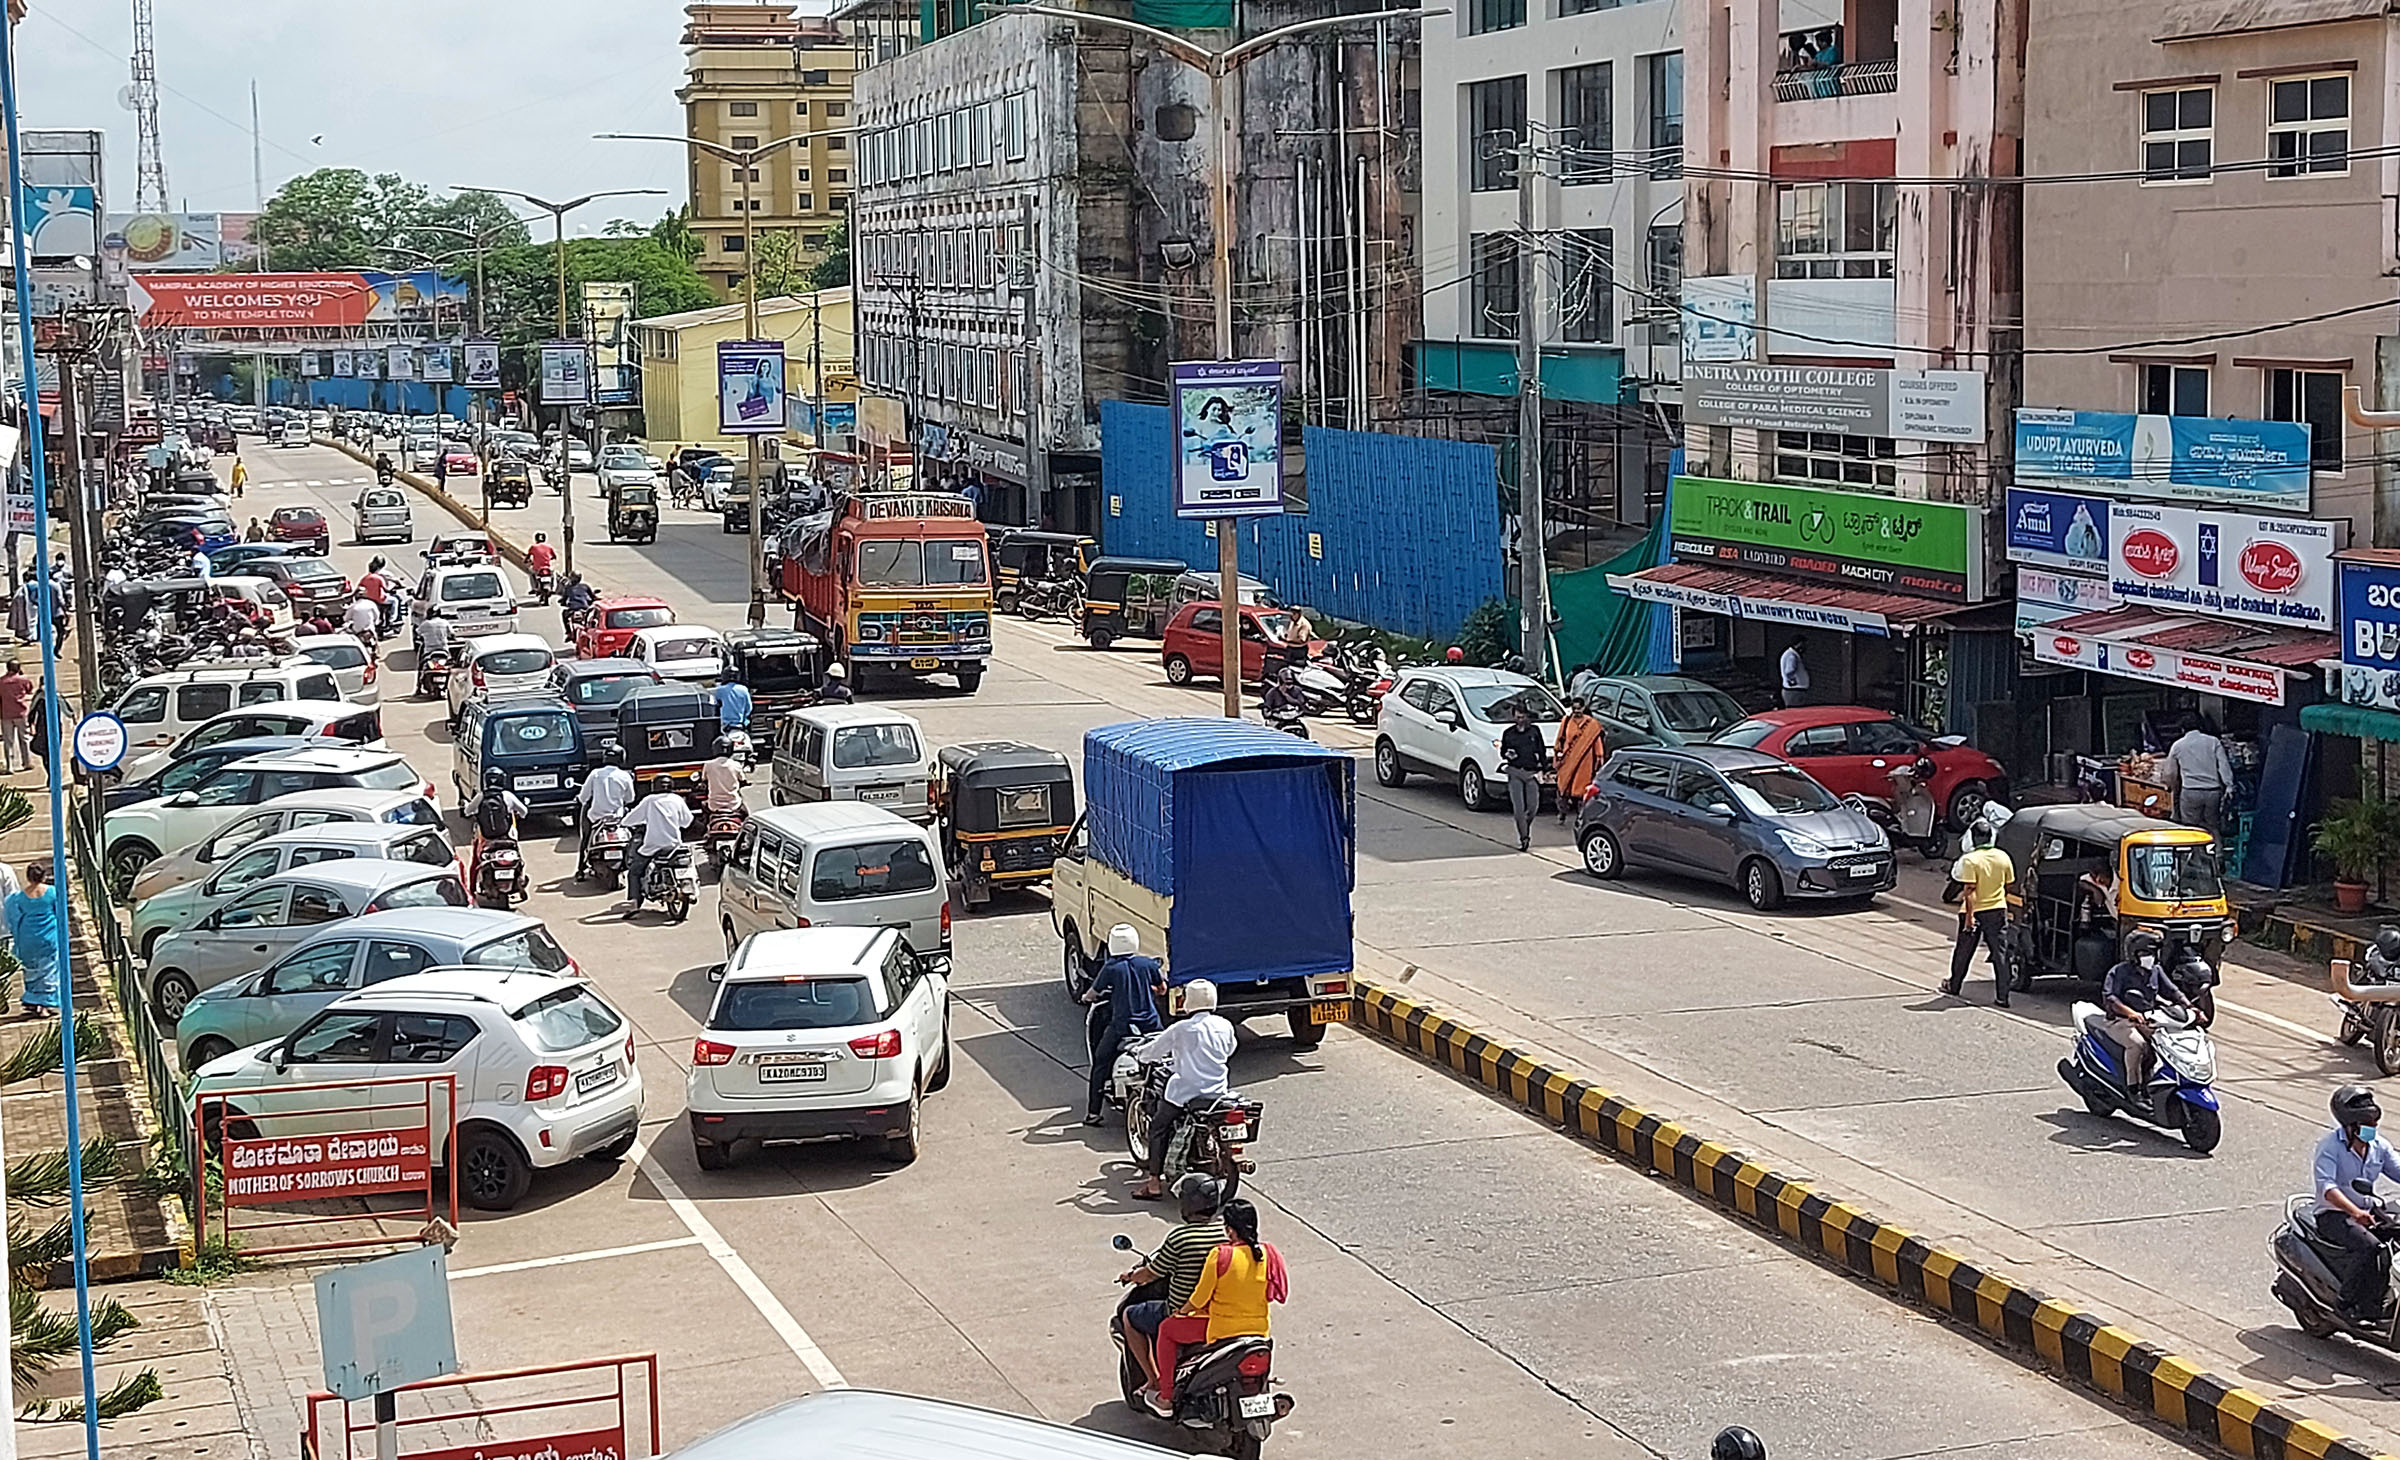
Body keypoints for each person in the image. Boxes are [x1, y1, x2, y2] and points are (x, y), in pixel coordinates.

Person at [1152, 1197, 1285, 1412]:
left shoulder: (1222, 1255)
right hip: (1259, 1332)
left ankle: (1166, 1396)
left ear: (1230, 1230)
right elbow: (1278, 1293)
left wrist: (1181, 1312)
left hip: (1222, 1331)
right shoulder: (1269, 1253)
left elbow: (1199, 1298)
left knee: (1167, 1329)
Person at [1117, 1174, 1228, 1413]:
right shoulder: (1228, 1235)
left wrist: (1130, 1276)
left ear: (1187, 1205)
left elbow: (1151, 1273)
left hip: (1183, 1313)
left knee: (1130, 1316)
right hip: (1222, 1314)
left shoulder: (1180, 1237)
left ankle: (1154, 1381)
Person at [1130, 979, 1238, 1200]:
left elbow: (1154, 1051)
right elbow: (1230, 1049)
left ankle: (1153, 1184)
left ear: (1189, 1000)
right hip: (1218, 1092)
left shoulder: (1182, 1028)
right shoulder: (1224, 1025)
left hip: (1186, 1092)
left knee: (1158, 1127)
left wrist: (1139, 1053)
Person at [2314, 1085, 2400, 1322]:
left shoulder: (2379, 1146)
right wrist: (2355, 1212)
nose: (2373, 1129)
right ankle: (2345, 1302)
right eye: (2368, 1124)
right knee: (2371, 1248)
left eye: (2375, 1123)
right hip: (2334, 1215)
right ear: (2351, 1125)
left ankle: (2379, 1298)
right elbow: (2327, 1189)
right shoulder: (2329, 1147)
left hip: (2367, 1210)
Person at [1083, 923, 1164, 1125]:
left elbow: (1093, 993)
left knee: (1100, 1061)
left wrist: (1086, 997)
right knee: (1166, 1059)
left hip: (1123, 1027)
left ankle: (1093, 1112)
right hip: (1152, 1025)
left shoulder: (1111, 967)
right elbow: (1162, 988)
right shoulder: (1148, 964)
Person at [2096, 929, 2187, 1098]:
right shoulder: (2119, 971)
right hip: (2119, 1022)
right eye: (2146, 953)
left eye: (2152, 953)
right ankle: (2133, 1088)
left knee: (2165, 1043)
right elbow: (2110, 998)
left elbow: (2173, 991)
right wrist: (2130, 1012)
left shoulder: (2156, 970)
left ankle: (2150, 1082)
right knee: (2137, 1045)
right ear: (2134, 953)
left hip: (2147, 1020)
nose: (2150, 957)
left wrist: (2190, 1007)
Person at [1944, 821, 2015, 1006]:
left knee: (1964, 952)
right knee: (2000, 954)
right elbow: (2008, 884)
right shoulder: (2003, 857)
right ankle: (2002, 996)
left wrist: (1969, 919)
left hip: (1974, 911)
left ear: (1974, 839)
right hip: (1998, 910)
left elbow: (1969, 891)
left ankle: (1954, 985)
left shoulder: (1971, 860)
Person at [623, 786, 694, 912]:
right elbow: (687, 822)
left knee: (634, 872)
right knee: (688, 862)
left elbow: (631, 819)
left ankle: (633, 903)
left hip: (653, 845)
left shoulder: (650, 800)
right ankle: (692, 889)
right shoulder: (677, 799)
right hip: (674, 845)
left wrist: (624, 822)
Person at [6, 861, 60, 1018]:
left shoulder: (19, 898)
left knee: (31, 969)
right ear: (44, 876)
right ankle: (45, 1004)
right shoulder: (52, 892)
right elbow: (59, 912)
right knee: (49, 969)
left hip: (27, 936)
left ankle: (33, 999)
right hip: (48, 936)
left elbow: (15, 916)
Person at [2164, 715, 2235, 835]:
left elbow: (2170, 772)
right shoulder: (2213, 741)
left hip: (2191, 792)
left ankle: (2197, 852)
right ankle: (2217, 851)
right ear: (2201, 726)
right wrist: (2229, 785)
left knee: (2191, 827)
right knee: (2213, 825)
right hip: (2213, 792)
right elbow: (2223, 765)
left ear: (2182, 729)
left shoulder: (2178, 745)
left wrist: (2169, 785)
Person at [1499, 702, 1550, 852]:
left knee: (1533, 807)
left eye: (1523, 717)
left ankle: (1524, 825)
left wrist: (1545, 768)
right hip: (1515, 771)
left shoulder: (1534, 731)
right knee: (1518, 808)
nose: (1520, 720)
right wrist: (1507, 754)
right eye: (1517, 717)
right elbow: (1502, 752)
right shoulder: (1508, 734)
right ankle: (1524, 837)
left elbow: (1541, 751)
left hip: (1531, 772)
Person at [468, 768, 529, 892]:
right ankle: (520, 879)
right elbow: (524, 812)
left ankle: (471, 890)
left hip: (486, 838)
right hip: (507, 836)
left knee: (476, 861)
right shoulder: (507, 796)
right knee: (518, 857)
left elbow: (467, 811)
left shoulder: (481, 796)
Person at [577, 745, 637, 860]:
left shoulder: (595, 774)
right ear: (622, 759)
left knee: (586, 837)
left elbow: (583, 797)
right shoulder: (625, 776)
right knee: (632, 831)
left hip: (596, 818)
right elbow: (630, 799)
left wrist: (579, 799)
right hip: (618, 818)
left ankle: (581, 866)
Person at [1553, 696, 1605, 823]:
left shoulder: (1592, 725)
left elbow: (1596, 743)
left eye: (1579, 708)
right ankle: (1562, 813)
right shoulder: (1566, 721)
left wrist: (1599, 758)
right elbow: (1560, 738)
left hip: (1584, 763)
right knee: (1563, 787)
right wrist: (1557, 755)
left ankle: (1580, 817)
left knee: (1581, 791)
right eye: (1574, 708)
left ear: (1583, 708)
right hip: (1567, 760)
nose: (1576, 711)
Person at [0, 661, 32, 774]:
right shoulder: (23, 680)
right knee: (24, 738)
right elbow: (29, 690)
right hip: (21, 712)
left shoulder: (1, 682)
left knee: (8, 741)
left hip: (6, 714)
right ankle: (27, 762)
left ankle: (10, 766)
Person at [702, 736, 747, 816]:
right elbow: (743, 780)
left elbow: (704, 779)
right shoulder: (736, 765)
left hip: (713, 806)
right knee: (746, 816)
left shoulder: (708, 765)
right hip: (734, 804)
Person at [1778, 641, 1810, 708]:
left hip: (1793, 691)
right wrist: (1792, 681)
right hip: (1794, 691)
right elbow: (1789, 671)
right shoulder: (1792, 657)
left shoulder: (1788, 654)